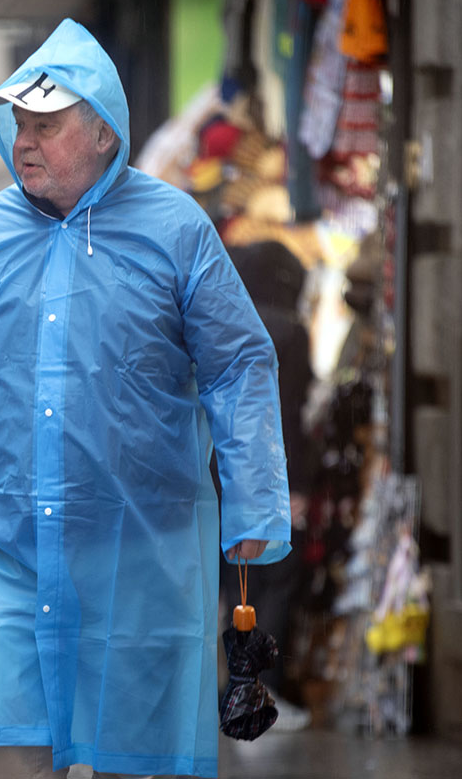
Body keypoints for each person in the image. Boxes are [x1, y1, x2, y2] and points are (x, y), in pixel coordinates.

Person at [0, 19, 292, 779]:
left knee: (136, 757)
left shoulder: (175, 229)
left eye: (45, 125)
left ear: (104, 133)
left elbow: (236, 367)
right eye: (18, 124)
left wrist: (254, 505)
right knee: (4, 752)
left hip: (140, 549)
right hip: (5, 547)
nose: (24, 142)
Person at [222, 240, 314, 730]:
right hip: (270, 474)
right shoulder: (289, 331)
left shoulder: (222, 320)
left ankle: (234, 691)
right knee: (276, 581)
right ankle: (262, 694)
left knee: (236, 584)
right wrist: (296, 485)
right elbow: (289, 418)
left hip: (219, 475)